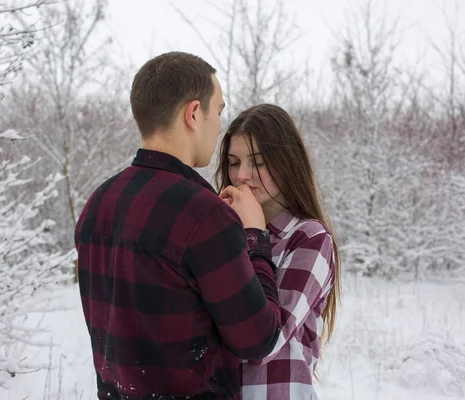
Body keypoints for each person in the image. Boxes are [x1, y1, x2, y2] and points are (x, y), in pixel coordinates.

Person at [74, 52, 282, 400]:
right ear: (193, 113)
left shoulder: (98, 203)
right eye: (218, 111)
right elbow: (257, 339)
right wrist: (256, 238)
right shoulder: (205, 216)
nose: (219, 125)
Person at [214, 104, 341, 400]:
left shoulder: (309, 238)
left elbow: (265, 343)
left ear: (286, 162)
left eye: (257, 162)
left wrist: (254, 236)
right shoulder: (222, 232)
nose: (242, 175)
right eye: (233, 162)